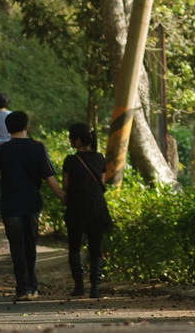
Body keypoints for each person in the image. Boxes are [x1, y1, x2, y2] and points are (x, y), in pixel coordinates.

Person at [0, 110, 64, 301]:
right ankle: (33, 287)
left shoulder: (1, 150)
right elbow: (49, 176)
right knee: (30, 244)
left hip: (10, 205)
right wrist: (61, 195)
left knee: (16, 246)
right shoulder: (38, 148)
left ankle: (22, 287)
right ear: (27, 127)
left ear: (8, 129)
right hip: (32, 203)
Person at [61, 122, 113, 298]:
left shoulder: (71, 160)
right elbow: (102, 183)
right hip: (97, 207)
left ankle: (79, 286)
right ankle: (95, 288)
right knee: (95, 248)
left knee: (74, 247)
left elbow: (66, 186)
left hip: (76, 207)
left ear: (77, 140)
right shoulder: (99, 158)